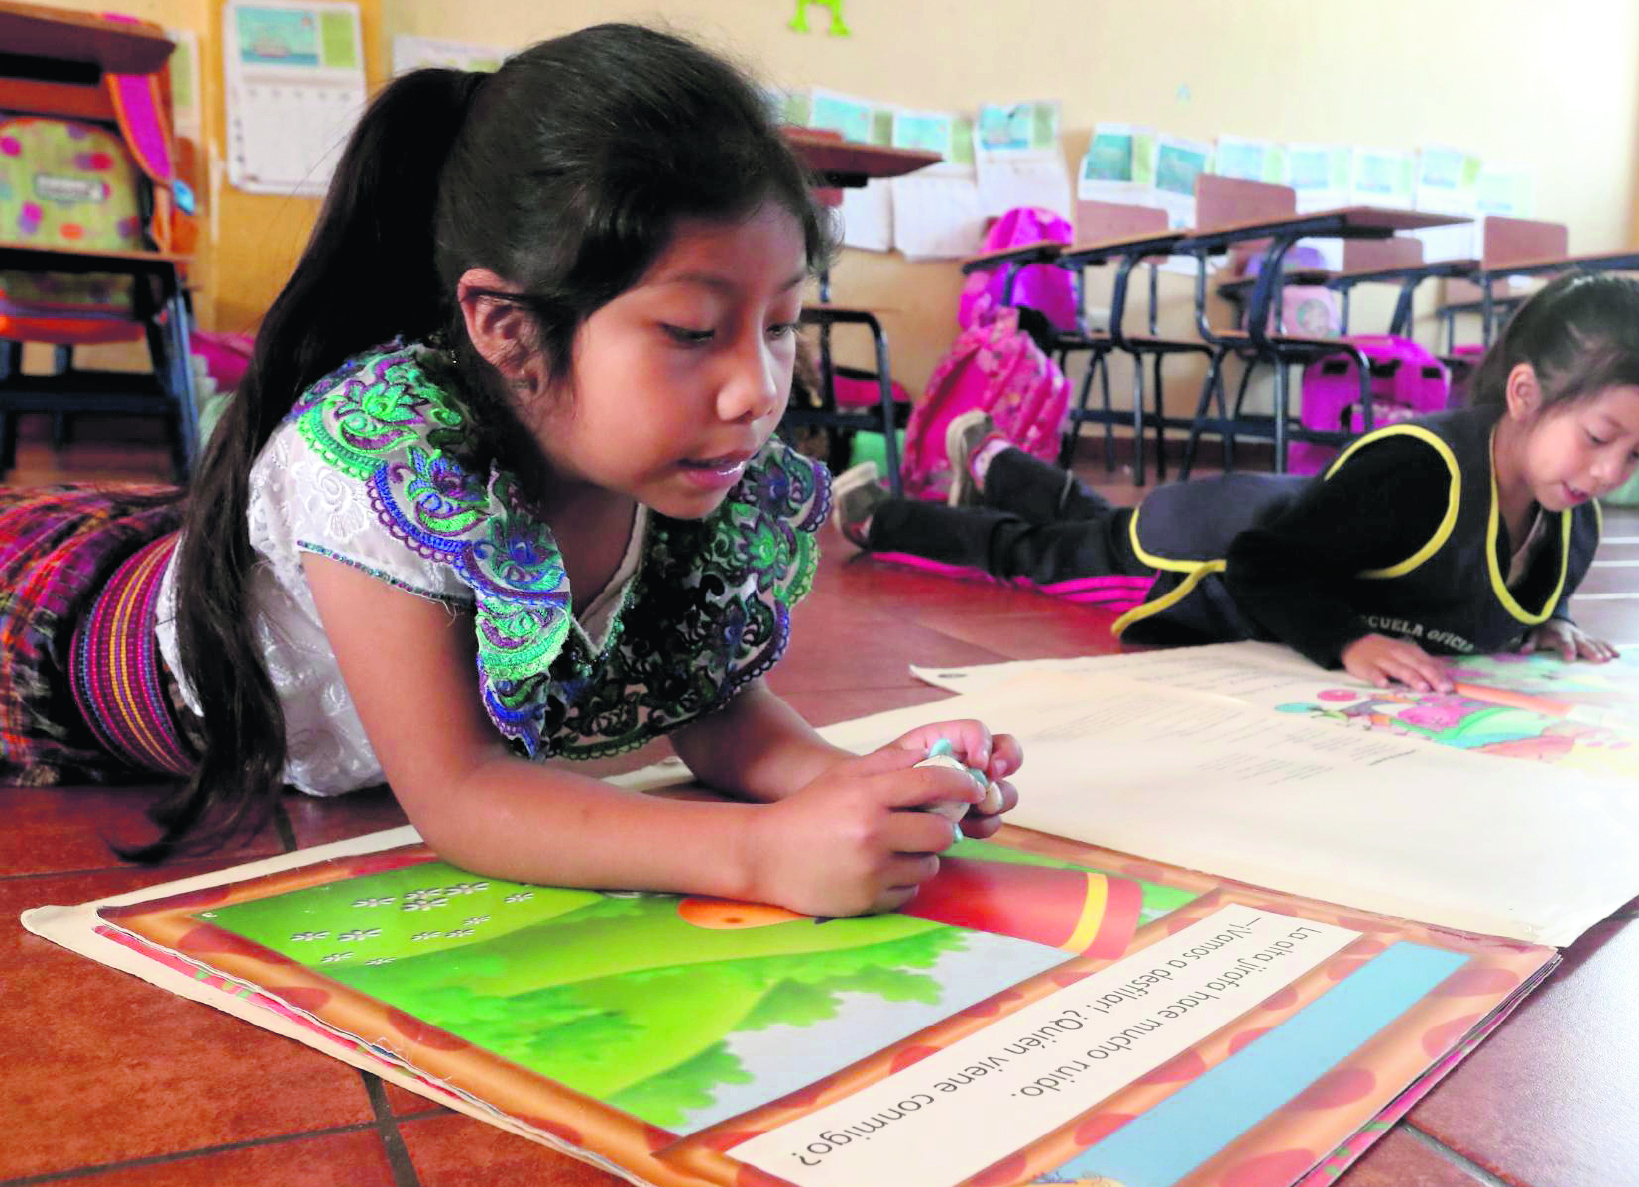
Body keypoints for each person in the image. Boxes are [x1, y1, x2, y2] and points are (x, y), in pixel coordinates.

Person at [0, 25, 1020, 918]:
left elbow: (714, 713)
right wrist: (761, 853)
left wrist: (871, 783)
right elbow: (463, 794)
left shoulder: (683, 461)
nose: (754, 390)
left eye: (783, 323)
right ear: (507, 327)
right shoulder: (382, 459)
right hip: (51, 632)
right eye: (691, 330)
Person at [834, 272, 1639, 692]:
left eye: (1637, 454)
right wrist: (1346, 641)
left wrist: (1552, 619)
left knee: (1088, 523)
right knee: (1045, 555)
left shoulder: (1568, 516)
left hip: (1279, 515)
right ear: (1524, 394)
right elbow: (1263, 563)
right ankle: (883, 519)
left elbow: (1514, 587)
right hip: (1202, 557)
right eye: (1599, 438)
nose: (1609, 472)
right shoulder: (1413, 471)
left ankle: (991, 458)